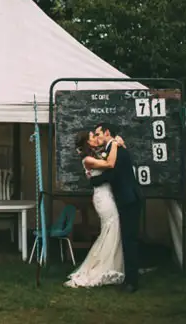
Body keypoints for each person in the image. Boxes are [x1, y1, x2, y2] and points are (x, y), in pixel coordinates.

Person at [86, 122, 144, 293]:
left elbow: (112, 174)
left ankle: (132, 282)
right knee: (128, 238)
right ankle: (129, 276)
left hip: (129, 199)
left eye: (98, 134)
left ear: (107, 132)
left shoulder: (116, 149)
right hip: (127, 198)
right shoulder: (114, 148)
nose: (97, 138)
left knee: (129, 239)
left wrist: (93, 181)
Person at [63, 130, 125, 289]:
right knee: (110, 227)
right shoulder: (87, 160)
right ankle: (101, 265)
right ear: (87, 142)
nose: (95, 138)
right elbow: (110, 164)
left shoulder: (96, 155)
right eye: (92, 137)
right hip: (102, 197)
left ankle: (112, 264)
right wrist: (115, 146)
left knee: (113, 228)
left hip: (108, 195)